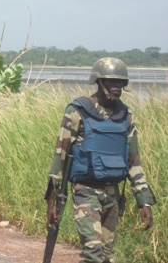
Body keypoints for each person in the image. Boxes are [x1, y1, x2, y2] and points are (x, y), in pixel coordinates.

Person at [44, 57, 156, 263]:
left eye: (121, 82)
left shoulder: (125, 116)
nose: (117, 87)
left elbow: (134, 163)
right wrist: (53, 199)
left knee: (105, 255)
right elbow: (59, 156)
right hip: (85, 191)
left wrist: (144, 202)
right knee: (93, 253)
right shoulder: (77, 111)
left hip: (113, 193)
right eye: (112, 82)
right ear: (99, 81)